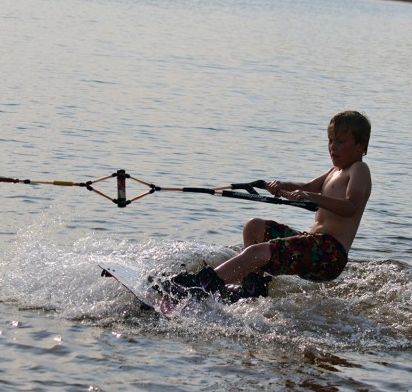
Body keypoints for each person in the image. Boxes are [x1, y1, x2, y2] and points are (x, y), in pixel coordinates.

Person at [154, 111, 372, 303]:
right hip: (312, 245)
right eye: (330, 140)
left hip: (329, 255)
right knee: (254, 227)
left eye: (340, 141)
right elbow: (306, 186)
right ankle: (253, 288)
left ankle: (200, 285)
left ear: (360, 145)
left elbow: (350, 206)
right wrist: (280, 186)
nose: (332, 147)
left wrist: (311, 197)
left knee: (258, 252)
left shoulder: (359, 169)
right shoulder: (335, 171)